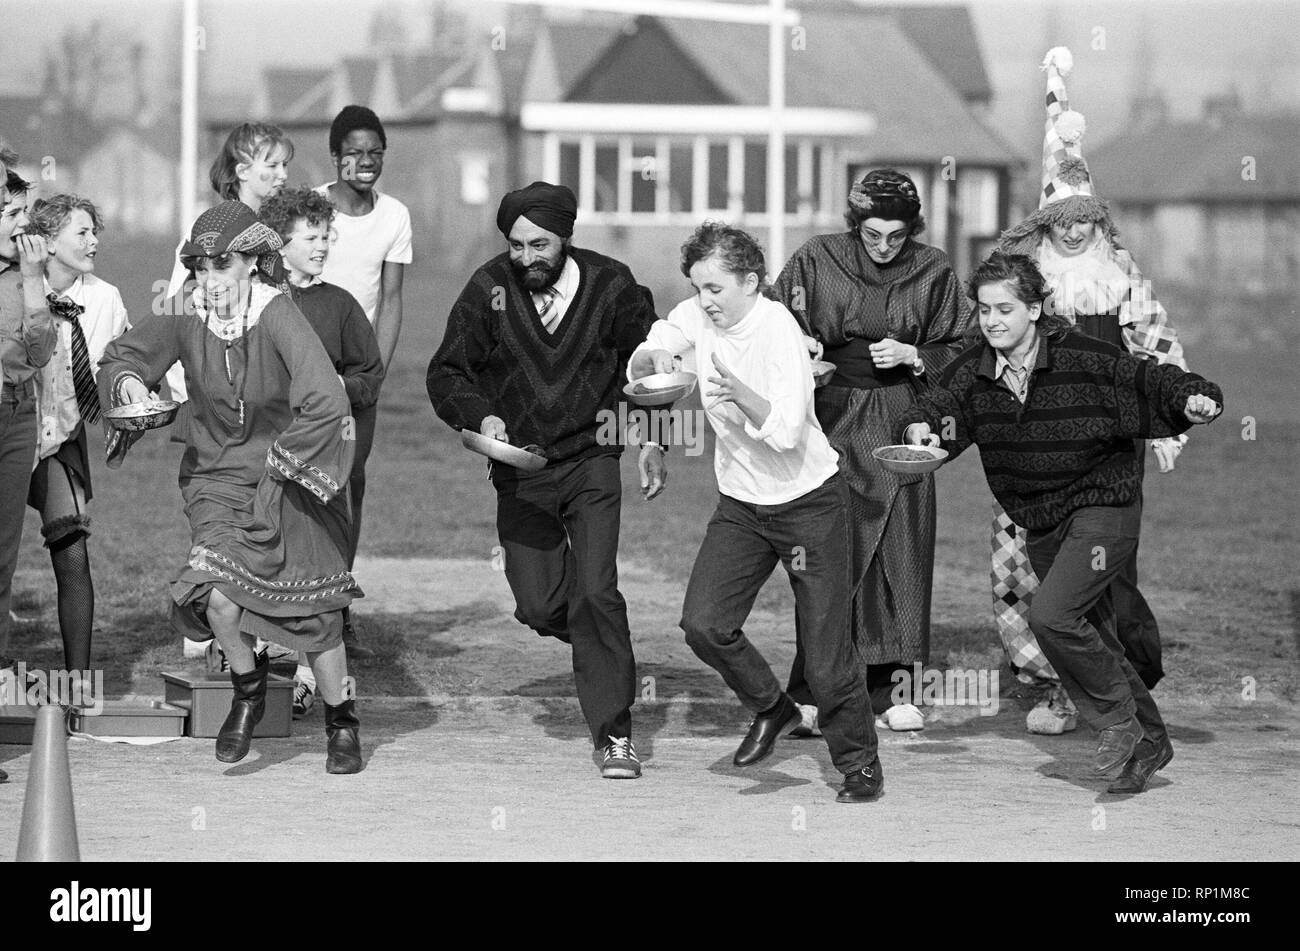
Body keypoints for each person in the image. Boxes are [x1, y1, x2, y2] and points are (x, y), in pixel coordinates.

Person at [899, 252, 1223, 793]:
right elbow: (934, 408)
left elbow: (1152, 379)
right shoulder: (975, 370)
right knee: (1094, 635)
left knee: (1050, 617)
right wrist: (921, 432)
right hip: (1042, 521)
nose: (992, 320)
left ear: (1034, 308)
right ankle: (1150, 741)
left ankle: (1118, 724)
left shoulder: (1084, 359)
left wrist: (1195, 399)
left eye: (1005, 308)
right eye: (983, 311)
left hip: (1104, 509)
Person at [97, 202, 363, 773]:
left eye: (222, 267)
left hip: (286, 473)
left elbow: (327, 400)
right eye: (200, 267)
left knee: (313, 615)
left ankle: (342, 721)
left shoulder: (279, 315)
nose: (209, 280)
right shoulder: (186, 312)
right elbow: (125, 355)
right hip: (215, 478)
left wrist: (285, 462)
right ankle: (247, 689)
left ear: (252, 264)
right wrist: (124, 388)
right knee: (217, 597)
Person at [631, 222, 883, 802]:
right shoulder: (697, 315)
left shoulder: (778, 331)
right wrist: (653, 424)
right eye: (698, 287)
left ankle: (859, 766)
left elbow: (789, 431)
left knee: (825, 659)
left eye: (716, 288)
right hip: (742, 507)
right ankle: (774, 708)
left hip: (811, 505)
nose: (706, 301)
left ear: (751, 282)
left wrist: (740, 391)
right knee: (704, 624)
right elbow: (662, 349)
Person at [427, 181, 664, 779]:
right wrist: (482, 416)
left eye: (540, 244)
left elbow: (653, 366)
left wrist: (655, 438)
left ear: (567, 237)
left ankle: (615, 735)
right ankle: (602, 651)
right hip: (520, 466)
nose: (528, 257)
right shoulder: (488, 289)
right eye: (517, 245)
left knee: (596, 591)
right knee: (538, 604)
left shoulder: (613, 285)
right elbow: (448, 370)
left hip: (593, 459)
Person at [992, 47, 1192, 734]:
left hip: (1108, 444)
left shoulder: (1121, 272)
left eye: (1086, 217)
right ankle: (1048, 683)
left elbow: (1156, 348)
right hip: (1034, 444)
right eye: (1063, 218)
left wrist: (1168, 419)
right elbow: (989, 347)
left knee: (1103, 568)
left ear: (1097, 220)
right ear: (1046, 222)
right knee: (1026, 565)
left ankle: (1122, 683)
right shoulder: (1023, 279)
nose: (1075, 228)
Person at [771, 168, 973, 733]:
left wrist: (914, 354)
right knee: (832, 546)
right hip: (832, 417)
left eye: (897, 235)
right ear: (854, 224)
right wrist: (803, 343)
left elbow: (966, 343)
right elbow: (772, 320)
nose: (884, 246)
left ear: (913, 229)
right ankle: (813, 688)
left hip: (904, 420)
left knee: (901, 546)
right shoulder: (816, 258)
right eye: (872, 233)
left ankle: (896, 688)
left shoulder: (933, 268)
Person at [164, 122, 295, 668]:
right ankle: (222, 631)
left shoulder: (278, 235)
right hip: (216, 412)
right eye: (272, 165)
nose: (282, 175)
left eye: (285, 165)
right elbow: (177, 314)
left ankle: (268, 646)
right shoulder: (209, 234)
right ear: (241, 170)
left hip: (270, 413)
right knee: (223, 518)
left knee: (274, 528)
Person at [260, 185, 384, 718]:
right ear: (279, 245)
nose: (322, 245)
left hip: (326, 457)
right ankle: (256, 665)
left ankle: (314, 678)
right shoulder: (259, 302)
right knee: (265, 556)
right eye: (310, 237)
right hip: (267, 454)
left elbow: (370, 377)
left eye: (325, 235)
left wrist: (333, 385)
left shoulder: (340, 304)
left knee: (318, 566)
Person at [315, 105, 413, 661]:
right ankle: (291, 595)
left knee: (350, 482)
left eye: (376, 151)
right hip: (305, 363)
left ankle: (336, 599)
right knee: (305, 480)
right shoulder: (310, 206)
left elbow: (393, 299)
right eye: (355, 151)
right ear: (335, 157)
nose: (366, 161)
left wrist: (374, 370)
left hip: (359, 370)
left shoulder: (395, 216)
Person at [25, 195, 129, 683]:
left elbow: (124, 365)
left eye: (95, 232)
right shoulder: (14, 288)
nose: (94, 242)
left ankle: (78, 684)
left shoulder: (104, 297)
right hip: (13, 431)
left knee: (71, 549)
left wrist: (131, 407)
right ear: (47, 241)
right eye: (81, 233)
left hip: (61, 439)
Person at [0, 148, 58, 785]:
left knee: (1, 567)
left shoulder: (24, 278)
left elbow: (40, 351)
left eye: (22, 213)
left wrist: (35, 280)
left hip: (14, 413)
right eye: (7, 213)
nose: (19, 226)